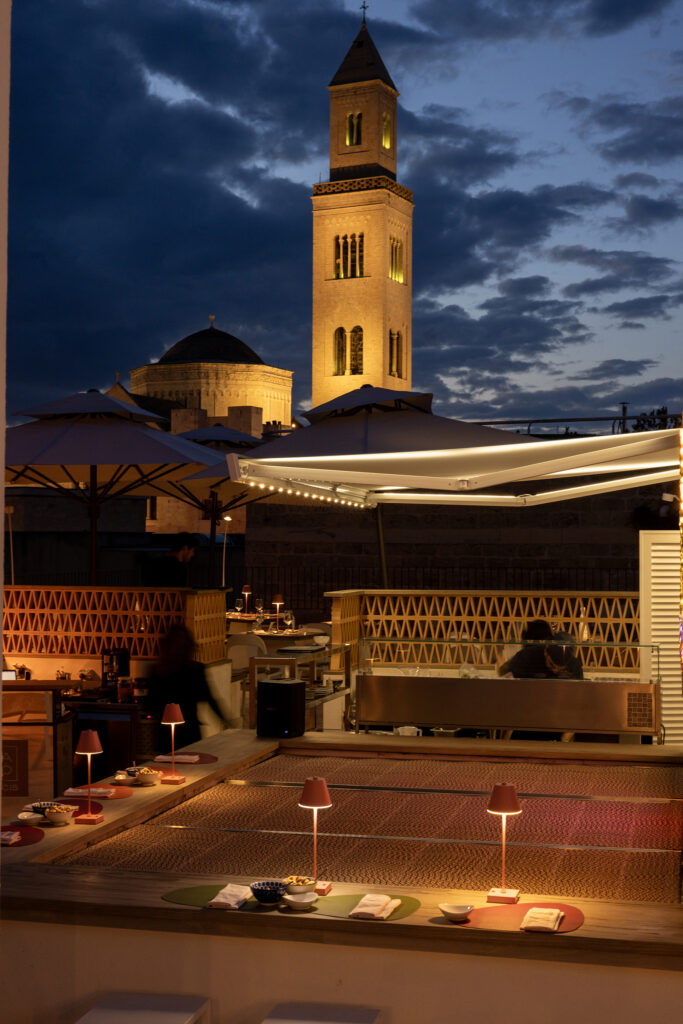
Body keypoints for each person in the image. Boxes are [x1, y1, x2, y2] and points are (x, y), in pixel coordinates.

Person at [145, 624, 226, 748]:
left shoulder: (158, 671)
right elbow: (209, 699)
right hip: (190, 733)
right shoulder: (195, 670)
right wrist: (225, 720)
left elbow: (151, 706)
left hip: (166, 734)